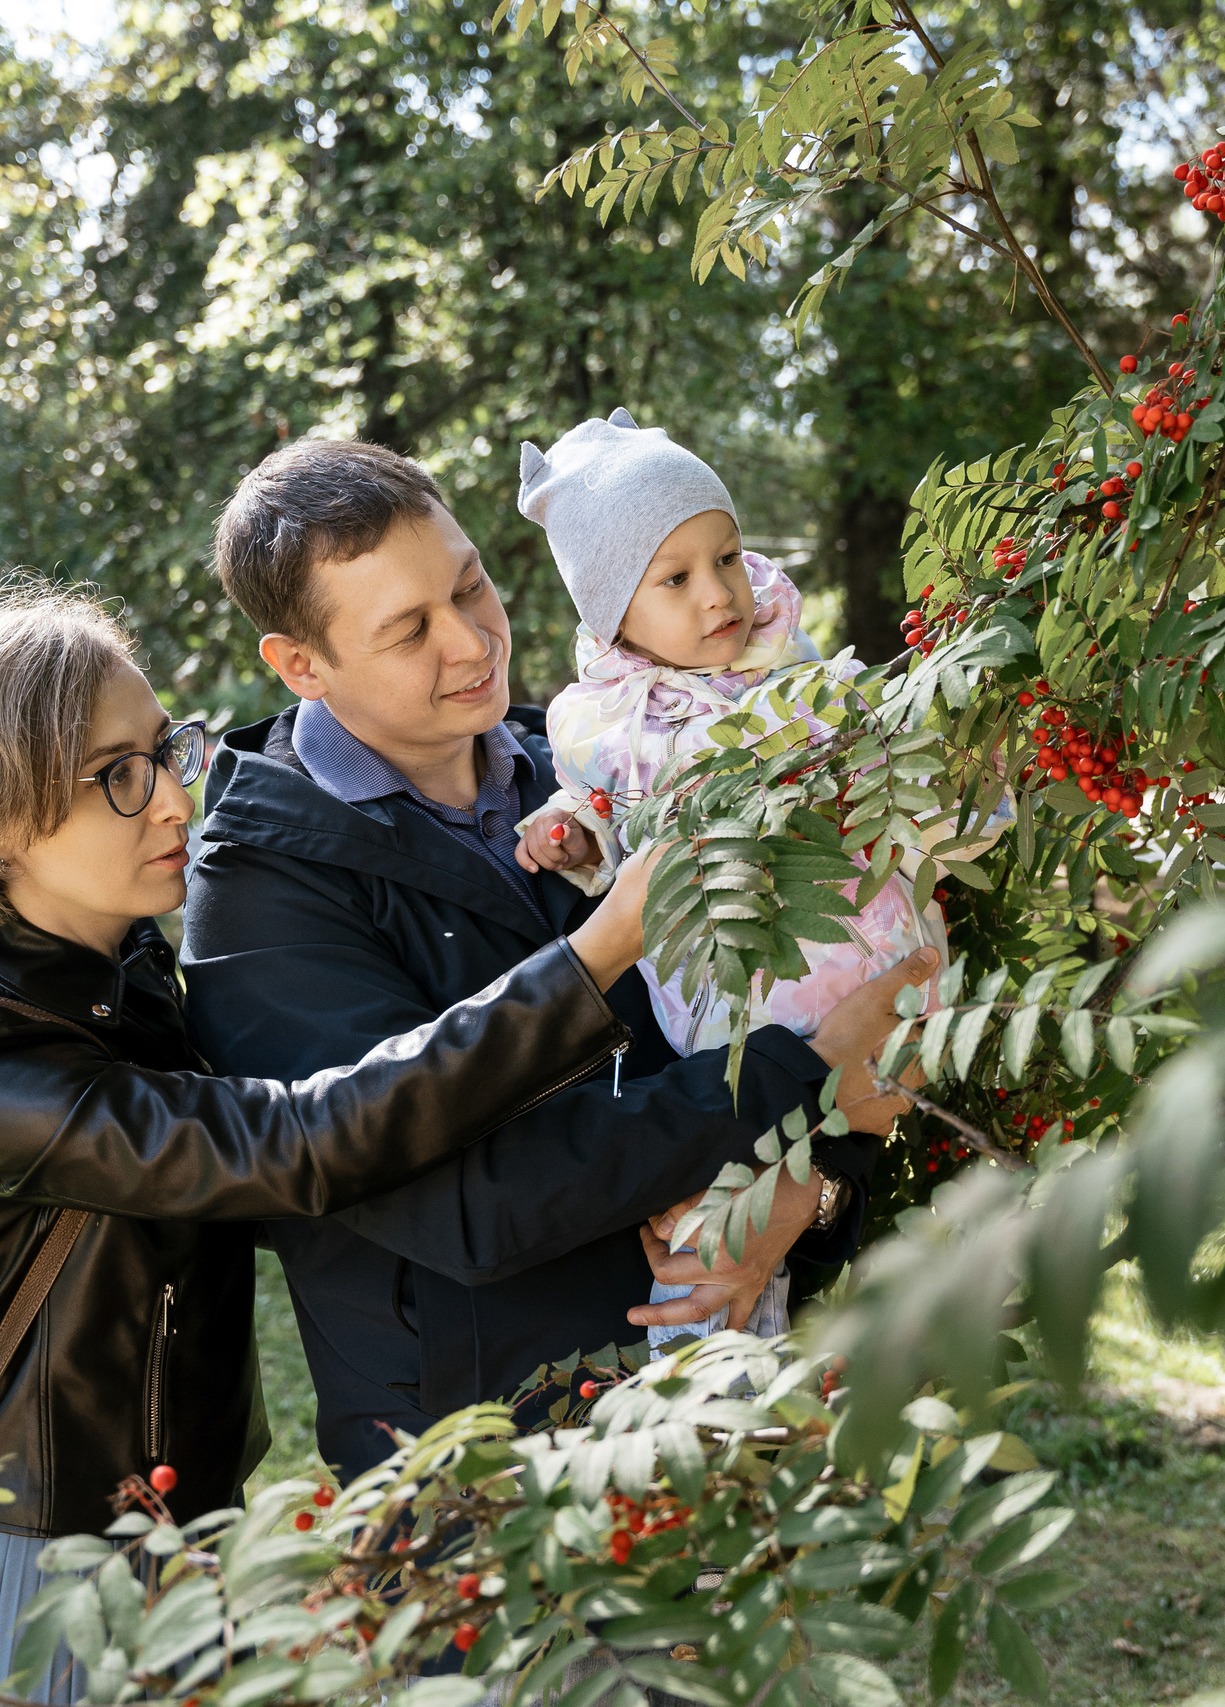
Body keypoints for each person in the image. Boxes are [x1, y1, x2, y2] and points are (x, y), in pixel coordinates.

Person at [0, 583, 663, 1707]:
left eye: (163, 752)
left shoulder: (118, 974)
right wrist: (596, 956)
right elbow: (303, 1143)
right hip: (46, 1565)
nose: (175, 801)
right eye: (115, 778)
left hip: (187, 1526)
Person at [179, 438, 930, 1483]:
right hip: (485, 1485)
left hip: (716, 1425)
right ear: (300, 665)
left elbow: (789, 992)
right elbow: (467, 1203)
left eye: (469, 583)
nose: (471, 642)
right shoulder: (258, 892)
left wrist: (803, 1194)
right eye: (408, 630)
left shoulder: (601, 766)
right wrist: (801, 1085)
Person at [510, 409, 945, 1344]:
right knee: (730, 1198)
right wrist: (574, 840)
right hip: (737, 992)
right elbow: (600, 818)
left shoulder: (787, 668)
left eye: (728, 556)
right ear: (612, 613)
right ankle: (711, 1390)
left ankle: (771, 1384)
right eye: (674, 578)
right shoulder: (602, 723)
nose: (718, 594)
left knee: (850, 1127)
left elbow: (871, 759)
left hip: (868, 960)